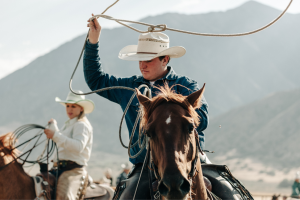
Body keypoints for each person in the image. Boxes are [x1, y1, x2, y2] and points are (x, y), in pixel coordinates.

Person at [84, 15, 208, 199]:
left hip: (191, 162)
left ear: (165, 59)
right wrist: (92, 42)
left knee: (225, 187)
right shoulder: (130, 88)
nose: (142, 65)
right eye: (140, 59)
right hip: (145, 167)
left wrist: (168, 105)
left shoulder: (185, 85)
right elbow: (96, 80)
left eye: (148, 59)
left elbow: (203, 120)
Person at [44, 90, 94, 200]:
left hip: (74, 171)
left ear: (81, 108)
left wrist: (55, 135)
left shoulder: (82, 125)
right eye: (67, 106)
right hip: (57, 169)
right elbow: (63, 141)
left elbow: (78, 147)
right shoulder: (69, 124)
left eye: (73, 106)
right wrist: (54, 129)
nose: (69, 109)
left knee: (64, 197)